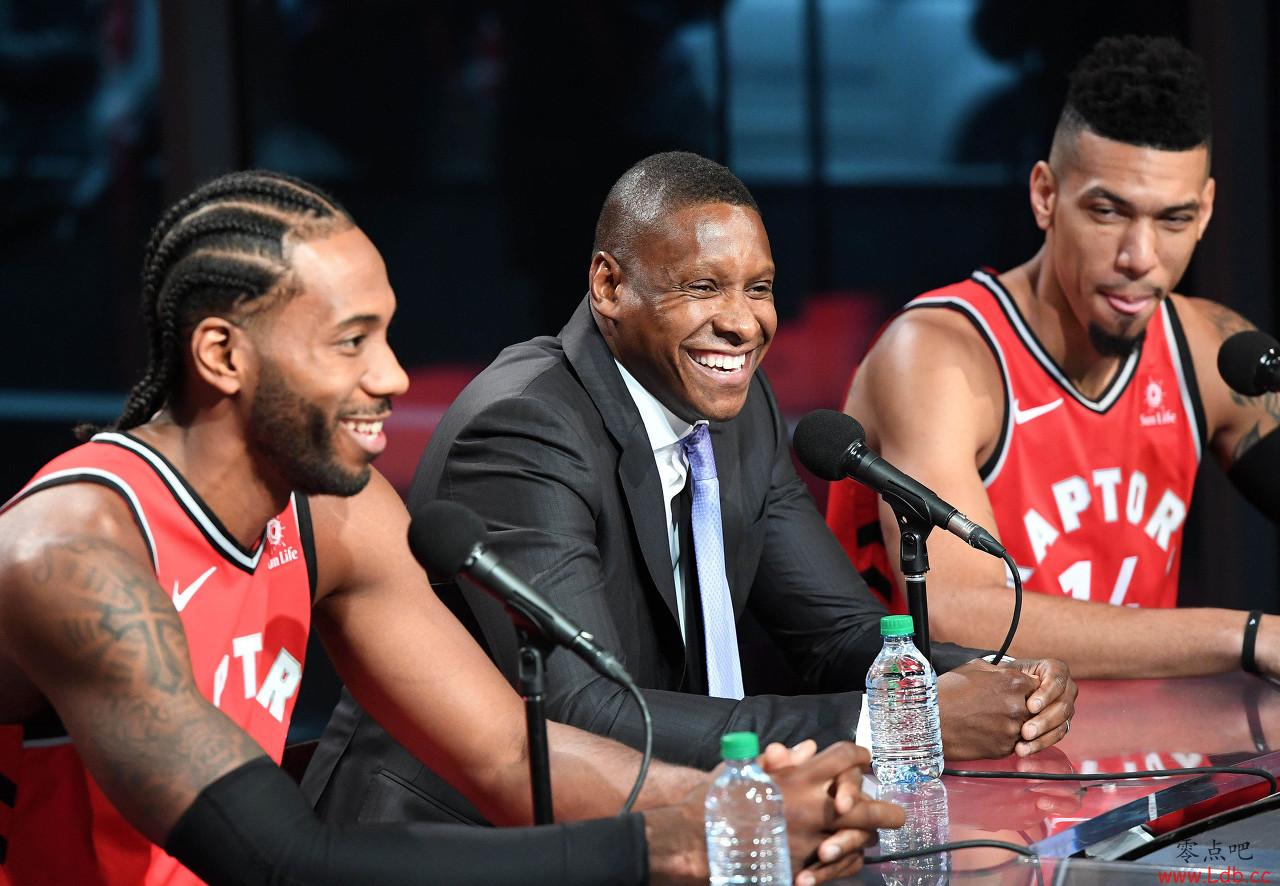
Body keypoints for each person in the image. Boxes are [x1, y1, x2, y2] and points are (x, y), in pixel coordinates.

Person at [0, 170, 903, 885]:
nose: (393, 377)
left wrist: (741, 807)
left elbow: (512, 758)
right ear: (222, 355)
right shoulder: (71, 558)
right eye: (351, 342)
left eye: (387, 336)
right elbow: (282, 863)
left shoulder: (337, 512)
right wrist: (676, 843)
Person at [303, 152, 1076, 829]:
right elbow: (585, 711)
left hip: (659, 821)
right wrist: (898, 721)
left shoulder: (740, 409)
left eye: (759, 288)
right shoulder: (523, 430)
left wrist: (993, 681)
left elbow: (835, 635)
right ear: (609, 285)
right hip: (456, 840)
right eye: (704, 287)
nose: (743, 323)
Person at [827, 35, 1280, 680]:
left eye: (1174, 220)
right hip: (940, 739)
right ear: (1045, 195)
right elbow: (961, 613)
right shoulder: (938, 355)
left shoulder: (1208, 348)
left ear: (1205, 210)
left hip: (1148, 739)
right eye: (1108, 212)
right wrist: (1248, 634)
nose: (1141, 257)